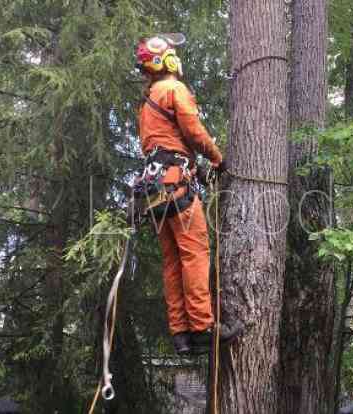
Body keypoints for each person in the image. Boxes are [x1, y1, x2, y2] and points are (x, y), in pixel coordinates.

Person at [135, 34, 240, 355]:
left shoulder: (149, 101)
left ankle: (180, 332)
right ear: (167, 60)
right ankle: (203, 327)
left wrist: (195, 167)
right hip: (175, 186)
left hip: (154, 191)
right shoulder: (173, 90)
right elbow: (193, 131)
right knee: (194, 254)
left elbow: (165, 145)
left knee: (172, 261)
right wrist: (217, 158)